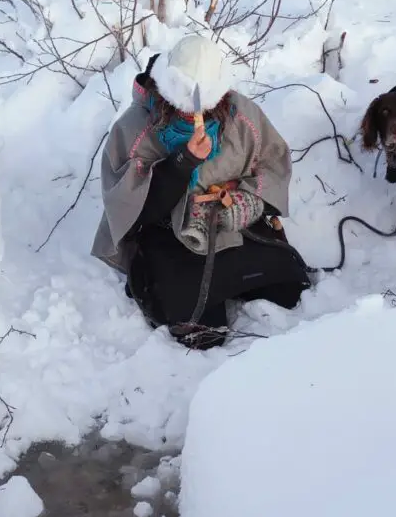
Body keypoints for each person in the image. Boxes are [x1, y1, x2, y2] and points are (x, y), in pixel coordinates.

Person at [91, 34, 311, 349]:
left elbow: (272, 163)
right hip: (169, 237)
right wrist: (183, 163)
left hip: (233, 228)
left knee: (289, 291)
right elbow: (134, 212)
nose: (195, 116)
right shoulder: (134, 128)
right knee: (203, 331)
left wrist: (250, 200)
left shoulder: (241, 115)